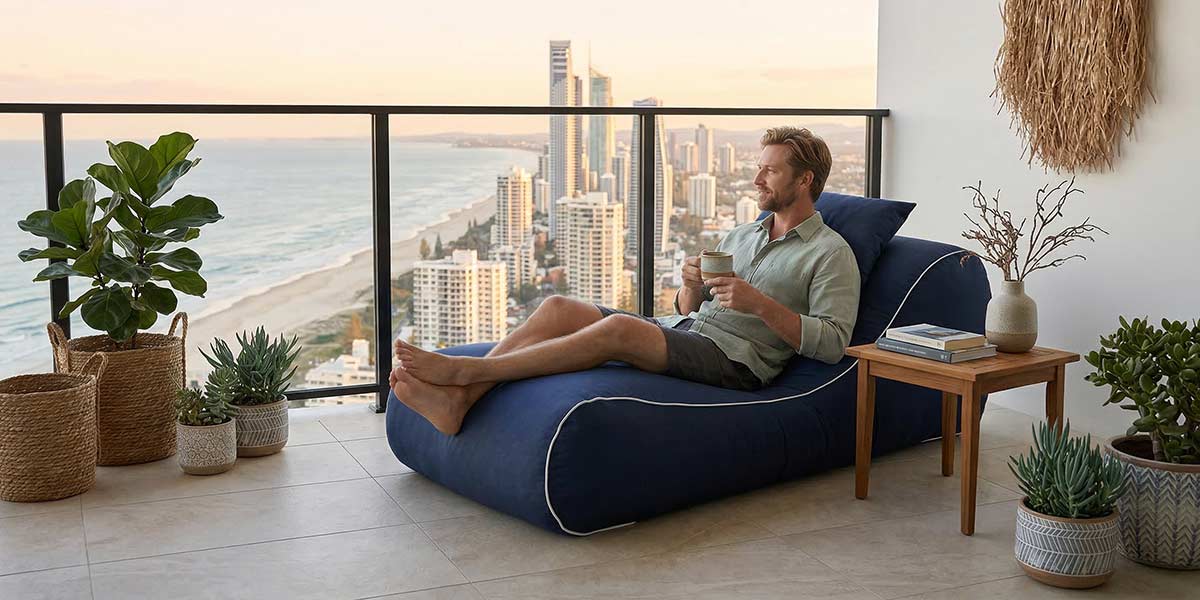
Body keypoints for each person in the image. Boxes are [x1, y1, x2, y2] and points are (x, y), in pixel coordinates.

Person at [391, 126, 861, 435]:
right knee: (557, 307)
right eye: (758, 166)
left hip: (738, 362)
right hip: (690, 333)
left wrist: (759, 304)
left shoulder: (830, 253)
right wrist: (691, 284)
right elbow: (685, 310)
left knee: (620, 332)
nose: (756, 177)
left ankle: (466, 376)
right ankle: (460, 403)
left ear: (804, 181)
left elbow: (833, 342)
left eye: (770, 170)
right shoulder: (742, 233)